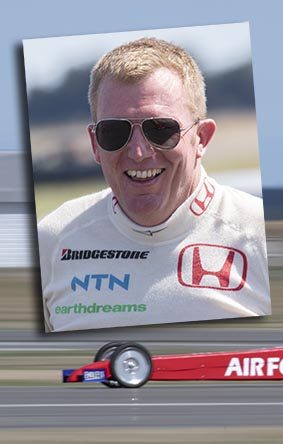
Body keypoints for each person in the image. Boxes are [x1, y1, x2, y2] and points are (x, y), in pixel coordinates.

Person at [37, 38, 270, 332]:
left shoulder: (260, 233)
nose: (138, 152)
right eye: (114, 132)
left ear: (202, 139)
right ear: (95, 144)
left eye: (160, 129)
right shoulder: (51, 239)